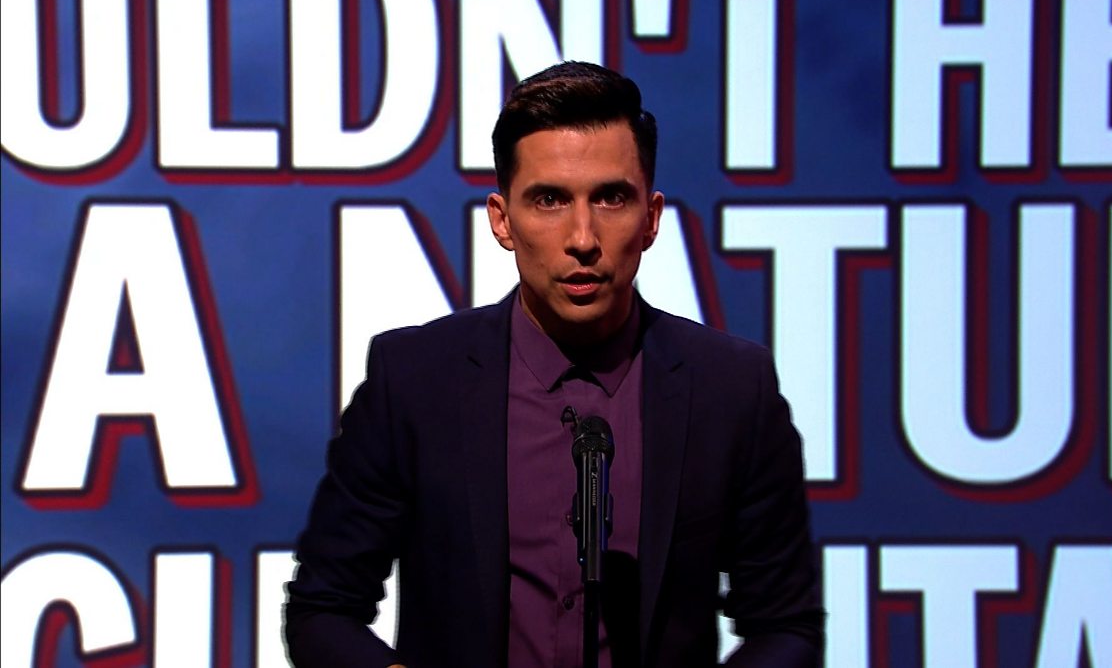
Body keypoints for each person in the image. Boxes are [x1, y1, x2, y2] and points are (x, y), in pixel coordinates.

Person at [285, 61, 823, 667]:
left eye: (611, 198)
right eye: (549, 200)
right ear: (502, 220)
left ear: (651, 218)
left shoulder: (731, 388)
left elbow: (786, 626)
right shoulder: (413, 381)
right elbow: (322, 610)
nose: (582, 238)